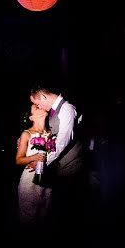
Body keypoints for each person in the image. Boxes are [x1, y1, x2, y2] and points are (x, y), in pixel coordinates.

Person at [29, 83, 88, 238]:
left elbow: (63, 141)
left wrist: (42, 161)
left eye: (37, 103)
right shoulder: (54, 112)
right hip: (62, 167)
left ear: (43, 96)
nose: (38, 106)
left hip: (73, 167)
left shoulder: (67, 108)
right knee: (62, 211)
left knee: (71, 213)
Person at [15, 103, 53, 227]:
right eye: (36, 107)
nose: (40, 106)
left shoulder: (51, 133)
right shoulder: (26, 134)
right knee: (28, 218)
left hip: (47, 180)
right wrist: (33, 157)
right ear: (32, 117)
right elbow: (18, 160)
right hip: (29, 181)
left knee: (45, 216)